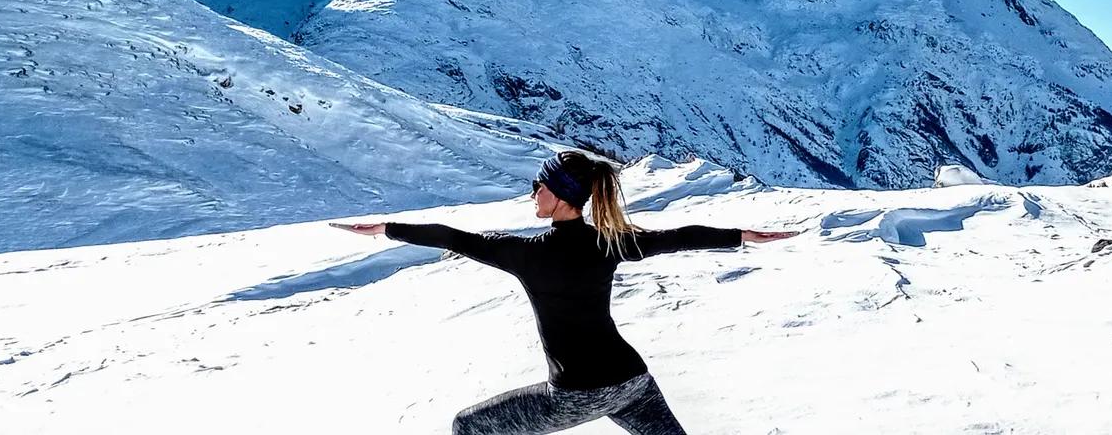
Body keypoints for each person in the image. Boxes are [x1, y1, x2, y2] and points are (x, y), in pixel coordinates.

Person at [333, 150, 798, 435]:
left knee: (468, 427)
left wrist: (386, 228)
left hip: (578, 393)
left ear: (558, 194)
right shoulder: (610, 243)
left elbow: (454, 238)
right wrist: (741, 235)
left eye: (538, 185)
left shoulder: (526, 253)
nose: (532, 192)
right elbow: (677, 236)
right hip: (634, 382)